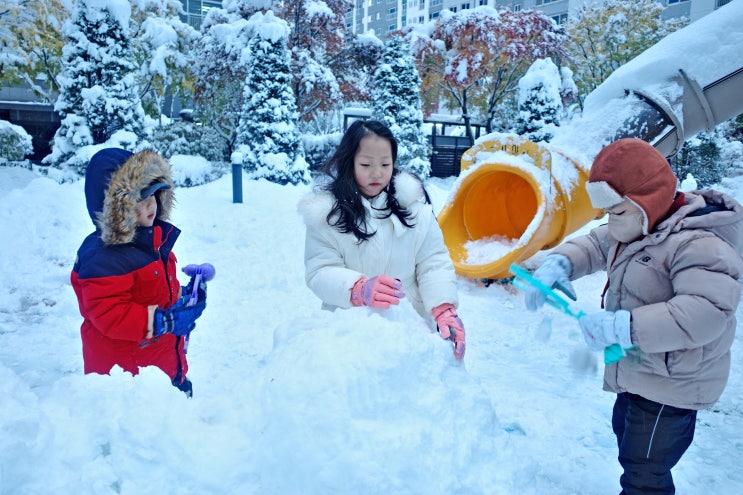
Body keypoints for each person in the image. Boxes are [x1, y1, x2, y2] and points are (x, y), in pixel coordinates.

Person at [522, 138, 743, 494]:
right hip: (641, 370)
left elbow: (705, 313)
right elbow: (595, 244)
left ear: (649, 200)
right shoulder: (641, 223)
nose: (612, 222)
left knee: (645, 471)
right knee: (628, 441)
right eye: (607, 213)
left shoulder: (700, 244)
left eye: (618, 212)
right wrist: (560, 262)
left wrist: (623, 327)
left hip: (673, 383)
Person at [299, 120, 465, 359]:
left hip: (409, 332)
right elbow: (320, 271)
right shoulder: (326, 216)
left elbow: (433, 263)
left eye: (385, 164)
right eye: (366, 164)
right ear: (349, 162)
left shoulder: (414, 209)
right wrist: (357, 289)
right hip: (346, 334)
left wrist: (443, 308)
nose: (377, 173)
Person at [71, 148, 208, 397]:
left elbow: (153, 292)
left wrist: (185, 296)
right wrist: (163, 321)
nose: (151, 204)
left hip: (159, 365)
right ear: (116, 209)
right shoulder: (103, 258)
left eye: (154, 194)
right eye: (139, 199)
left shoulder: (150, 242)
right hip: (126, 382)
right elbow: (109, 314)